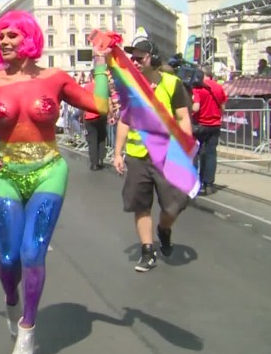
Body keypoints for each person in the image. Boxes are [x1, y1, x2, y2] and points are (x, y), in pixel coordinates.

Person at [0, 10, 109, 354]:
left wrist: (100, 63)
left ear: (30, 39)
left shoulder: (55, 78)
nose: (4, 41)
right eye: (1, 36)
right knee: (8, 261)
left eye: (13, 35)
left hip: (49, 171)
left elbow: (99, 105)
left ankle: (28, 329)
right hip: (7, 174)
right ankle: (12, 302)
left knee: (32, 253)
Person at [113, 36, 193, 273]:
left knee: (174, 205)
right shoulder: (131, 87)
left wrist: (186, 148)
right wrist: (118, 152)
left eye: (139, 57)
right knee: (141, 205)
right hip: (137, 155)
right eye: (132, 58)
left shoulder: (171, 83)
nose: (135, 62)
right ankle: (147, 252)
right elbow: (124, 121)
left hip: (167, 154)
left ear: (153, 58)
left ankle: (164, 229)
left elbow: (183, 117)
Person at [191, 65, 227, 196]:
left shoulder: (198, 87)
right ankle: (209, 184)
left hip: (199, 124)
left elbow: (196, 107)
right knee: (211, 154)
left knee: (194, 153)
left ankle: (194, 182)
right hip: (215, 124)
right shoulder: (219, 87)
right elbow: (223, 106)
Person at [82, 75, 108, 170]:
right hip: (101, 114)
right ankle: (101, 159)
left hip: (90, 116)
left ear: (91, 77)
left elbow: (82, 101)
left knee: (92, 140)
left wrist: (82, 114)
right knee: (101, 138)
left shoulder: (87, 87)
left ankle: (94, 163)